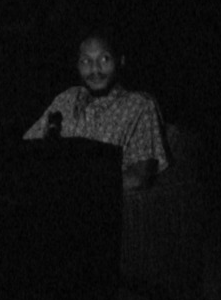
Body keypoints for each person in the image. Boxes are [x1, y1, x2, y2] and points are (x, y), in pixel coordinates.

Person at [23, 27, 169, 191]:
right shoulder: (66, 99)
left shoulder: (138, 105)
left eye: (104, 59)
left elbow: (139, 176)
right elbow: (28, 148)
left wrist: (81, 185)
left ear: (120, 61)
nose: (95, 70)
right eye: (86, 61)